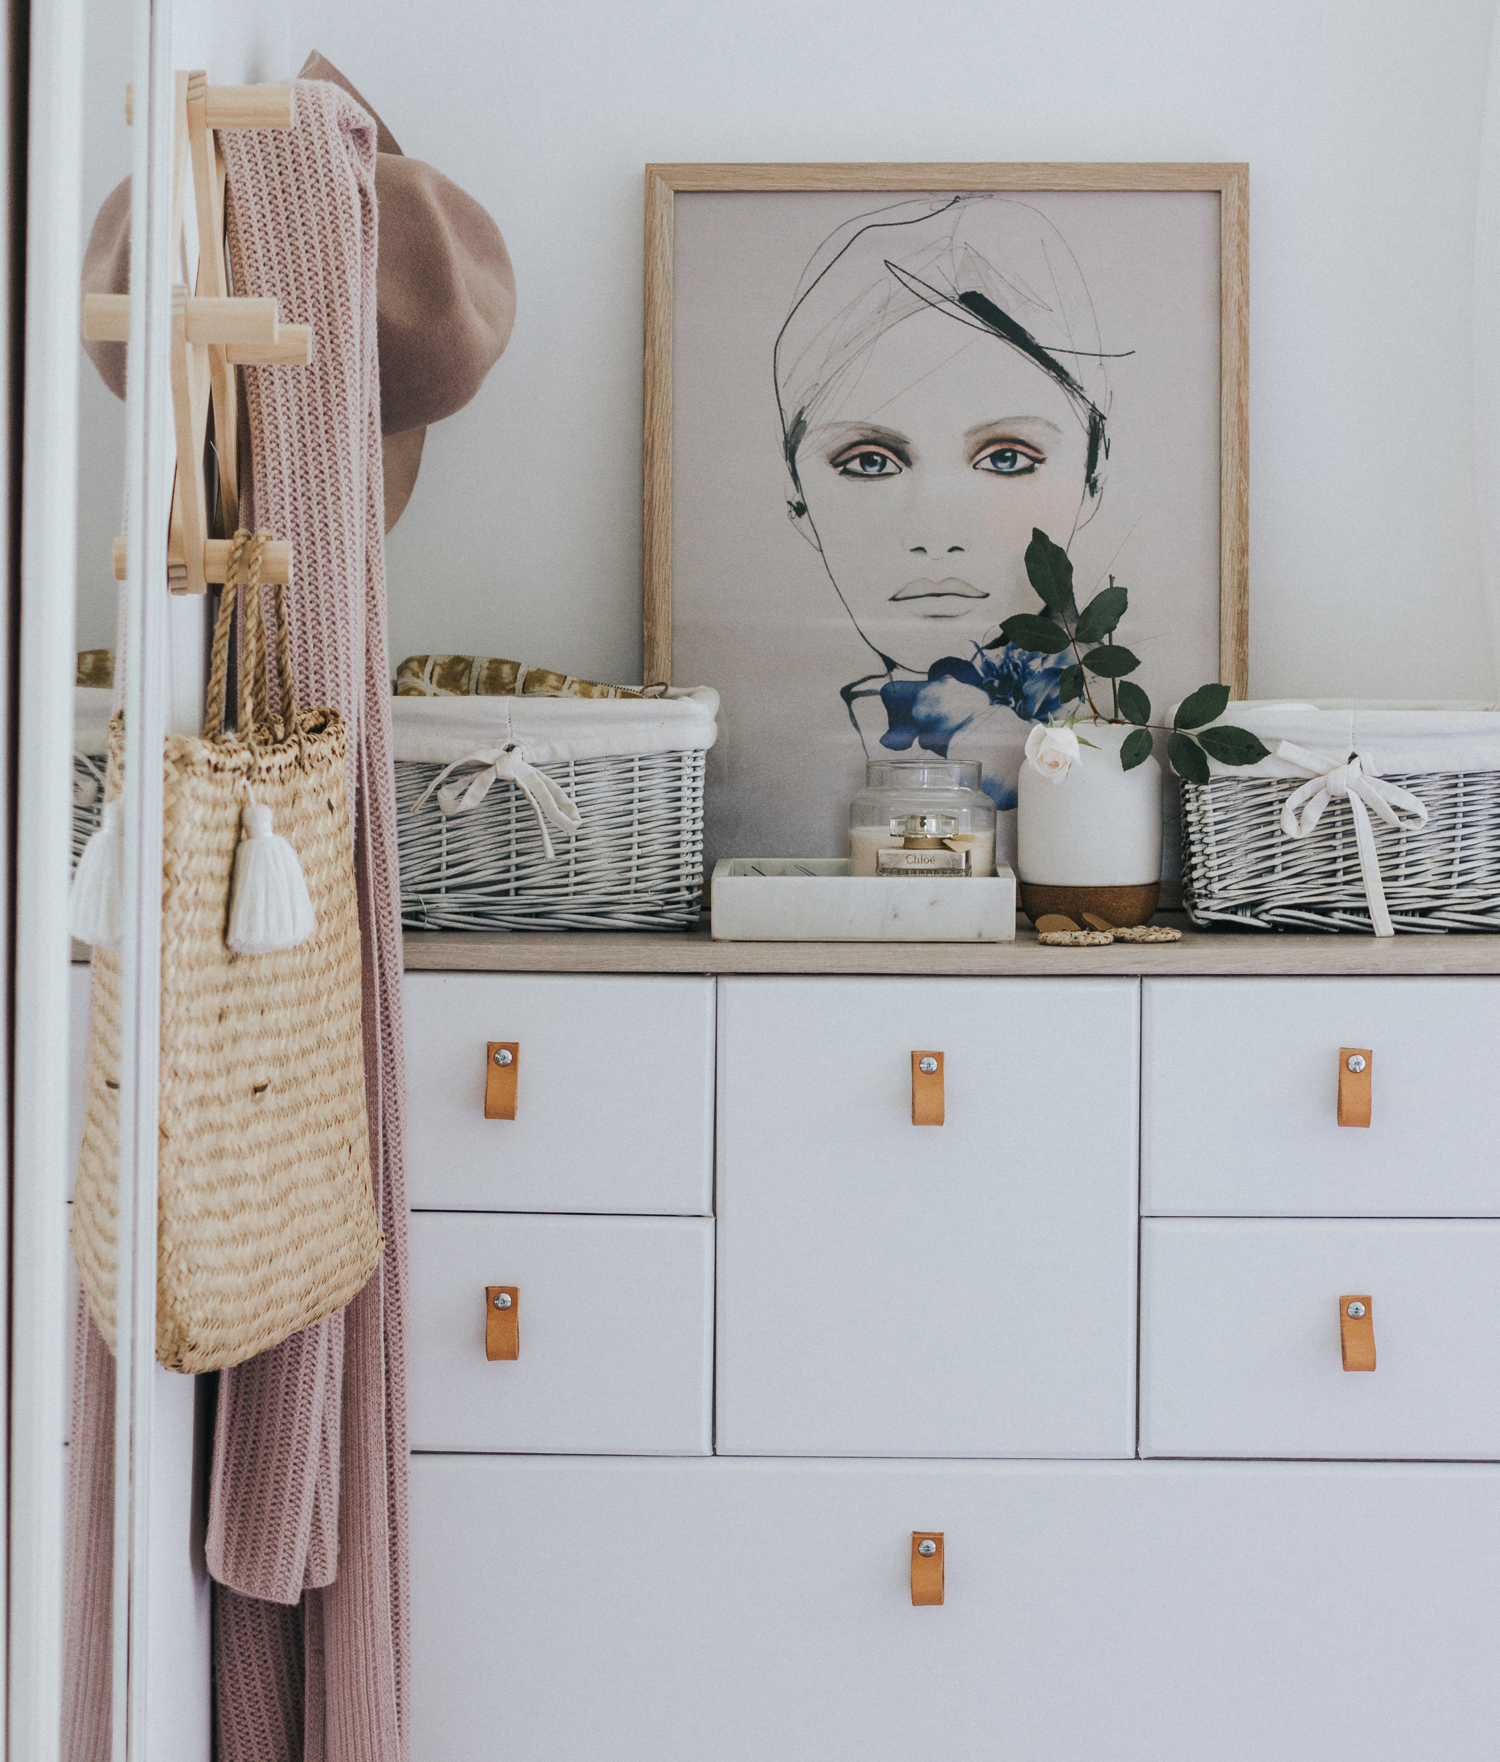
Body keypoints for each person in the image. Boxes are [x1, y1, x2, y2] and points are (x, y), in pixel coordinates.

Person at [774, 192, 1123, 820]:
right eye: (870, 462)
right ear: (799, 500)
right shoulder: (769, 752)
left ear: (1093, 476)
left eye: (1007, 458)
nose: (936, 535)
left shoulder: (1121, 739)